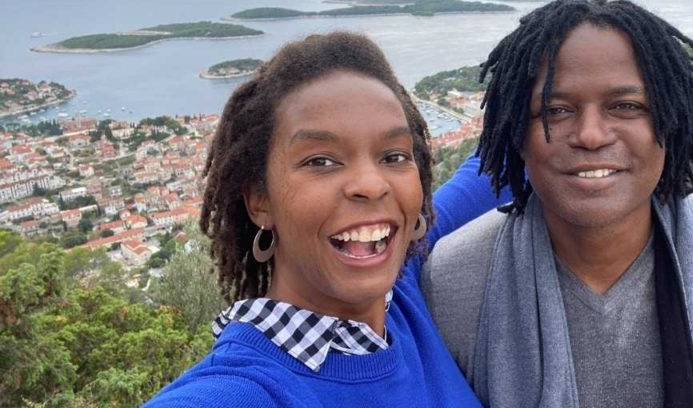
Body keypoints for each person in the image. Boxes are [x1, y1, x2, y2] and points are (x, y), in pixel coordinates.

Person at [422, 0, 693, 408]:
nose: (592, 135)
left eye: (626, 106)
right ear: (517, 134)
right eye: (556, 110)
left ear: (669, 121)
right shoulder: (454, 281)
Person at [146, 31, 505, 407]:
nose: (371, 184)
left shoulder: (402, 289)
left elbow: (499, 163)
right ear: (260, 201)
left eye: (394, 156)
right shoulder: (244, 391)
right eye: (321, 161)